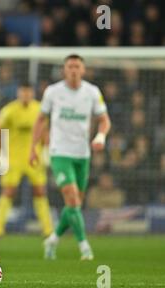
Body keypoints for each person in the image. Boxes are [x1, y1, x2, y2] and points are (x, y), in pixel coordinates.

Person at [29, 54, 111, 260]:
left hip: (83, 154)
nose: (73, 70)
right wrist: (33, 148)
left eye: (77, 66)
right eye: (70, 66)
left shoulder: (92, 92)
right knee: (73, 198)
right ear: (64, 70)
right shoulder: (53, 92)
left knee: (73, 205)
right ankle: (84, 247)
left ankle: (53, 240)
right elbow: (40, 120)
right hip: (60, 153)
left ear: (83, 70)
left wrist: (101, 136)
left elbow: (104, 120)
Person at [0, 83, 53, 240]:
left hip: (34, 157)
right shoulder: (10, 110)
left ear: (32, 93)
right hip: (14, 159)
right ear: (19, 92)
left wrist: (46, 151)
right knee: (8, 192)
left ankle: (48, 230)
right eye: (23, 92)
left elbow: (45, 131)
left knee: (40, 191)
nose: (26, 94)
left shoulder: (39, 109)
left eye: (28, 92)